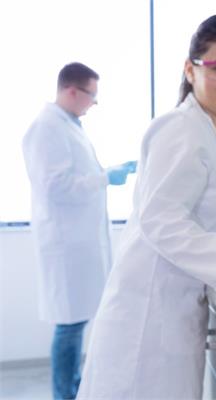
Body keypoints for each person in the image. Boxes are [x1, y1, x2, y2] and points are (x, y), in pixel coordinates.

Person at [77, 15, 216, 399]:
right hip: (146, 318)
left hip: (170, 312)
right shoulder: (179, 128)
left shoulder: (208, 132)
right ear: (190, 68)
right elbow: (162, 220)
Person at [21, 62, 137, 400]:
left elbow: (75, 175)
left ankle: (71, 390)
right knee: (69, 326)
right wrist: (104, 178)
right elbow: (55, 186)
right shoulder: (45, 127)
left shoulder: (69, 125)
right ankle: (63, 395)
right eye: (92, 96)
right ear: (72, 91)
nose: (93, 103)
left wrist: (108, 171)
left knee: (76, 323)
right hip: (64, 244)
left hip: (77, 244)